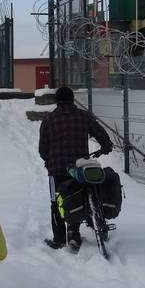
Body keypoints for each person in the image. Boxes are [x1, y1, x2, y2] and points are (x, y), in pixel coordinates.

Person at [39, 86, 113, 251]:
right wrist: (106, 146)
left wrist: (49, 160)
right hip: (81, 167)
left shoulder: (48, 120)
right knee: (81, 196)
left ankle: (59, 239)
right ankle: (75, 230)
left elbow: (42, 149)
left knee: (56, 202)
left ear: (57, 101)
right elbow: (100, 133)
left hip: (57, 169)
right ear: (72, 99)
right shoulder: (83, 116)